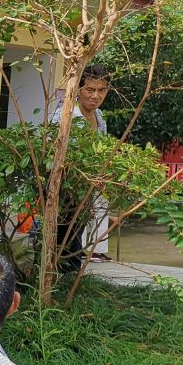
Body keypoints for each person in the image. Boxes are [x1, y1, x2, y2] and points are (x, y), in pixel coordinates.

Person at [50, 64, 112, 265]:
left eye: (101, 90)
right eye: (90, 89)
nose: (95, 96)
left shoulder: (99, 116)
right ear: (79, 90)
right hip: (64, 188)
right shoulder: (65, 115)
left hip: (86, 188)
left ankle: (71, 276)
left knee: (77, 234)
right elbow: (51, 154)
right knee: (62, 236)